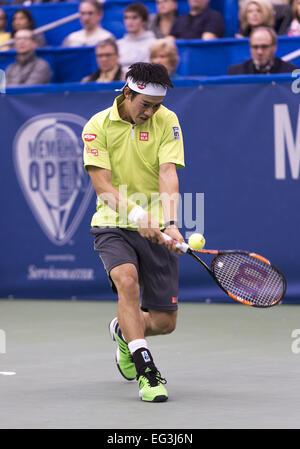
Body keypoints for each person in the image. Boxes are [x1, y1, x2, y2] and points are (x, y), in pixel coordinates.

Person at [82, 62, 185, 403]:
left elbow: (168, 172)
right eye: (145, 105)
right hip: (112, 222)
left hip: (156, 227)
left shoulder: (166, 120)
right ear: (127, 93)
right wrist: (139, 214)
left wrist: (169, 222)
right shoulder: (97, 125)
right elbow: (103, 187)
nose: (151, 112)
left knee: (165, 322)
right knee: (126, 282)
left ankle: (126, 333)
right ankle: (147, 371)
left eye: (156, 106)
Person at [228, 26, 298, 74]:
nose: (259, 52)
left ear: (274, 47)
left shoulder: (291, 72)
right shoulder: (236, 72)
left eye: (264, 47)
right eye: (255, 47)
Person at [117, 2, 156, 73]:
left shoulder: (154, 44)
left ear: (144, 21)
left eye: (134, 18)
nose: (129, 21)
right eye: (126, 18)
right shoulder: (118, 44)